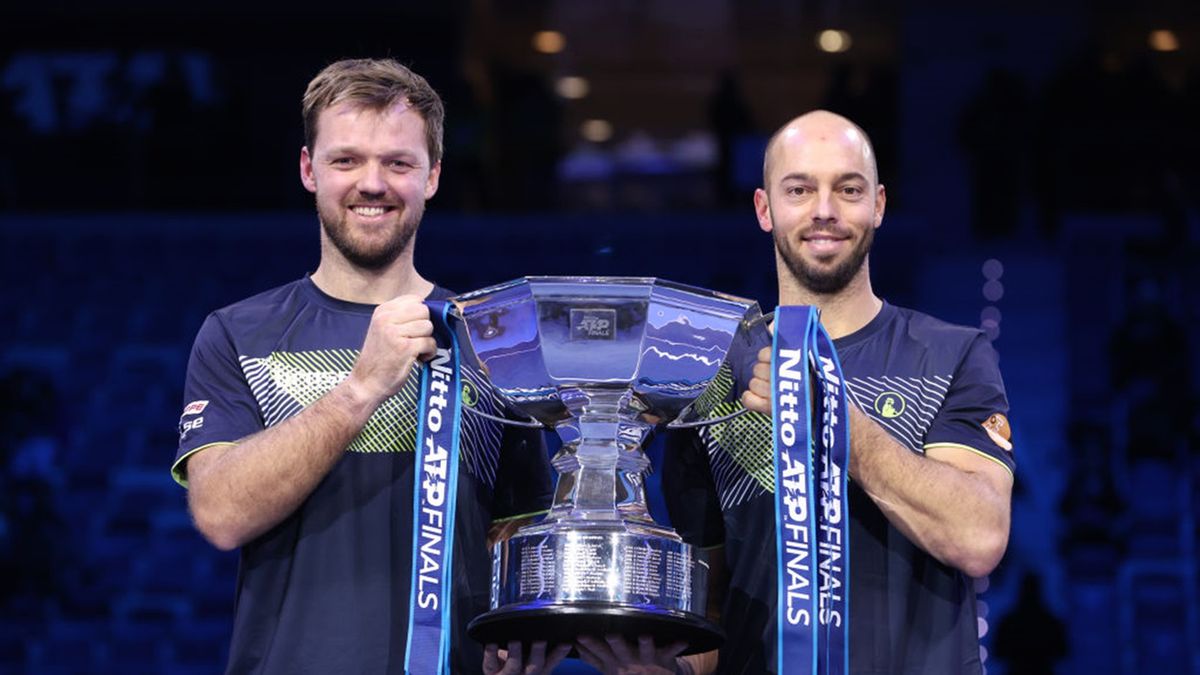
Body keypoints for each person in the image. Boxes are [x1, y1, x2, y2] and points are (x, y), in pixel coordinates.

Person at [171, 58, 559, 674]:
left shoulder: (495, 340)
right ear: (308, 170)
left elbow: (517, 531)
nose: (372, 183)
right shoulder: (237, 333)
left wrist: (520, 634)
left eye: (398, 163)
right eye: (346, 160)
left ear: (431, 176)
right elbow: (220, 515)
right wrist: (361, 389)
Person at [663, 110, 1015, 674]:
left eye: (847, 189)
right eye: (799, 189)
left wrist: (828, 416)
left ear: (877, 204)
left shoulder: (953, 354)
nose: (824, 211)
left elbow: (978, 537)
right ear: (764, 208)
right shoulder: (711, 378)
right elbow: (707, 609)